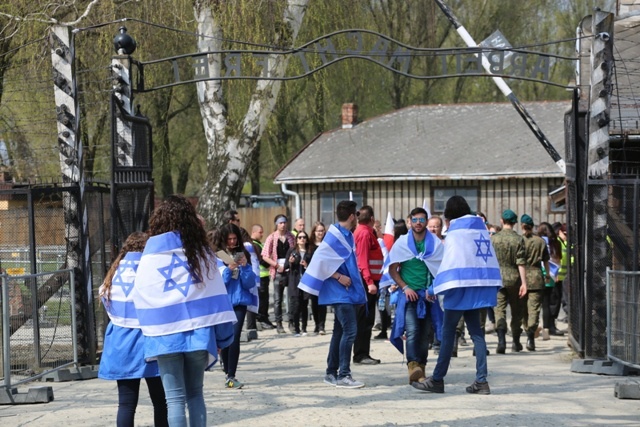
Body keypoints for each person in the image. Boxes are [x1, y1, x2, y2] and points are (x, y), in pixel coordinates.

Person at [132, 195, 236, 427]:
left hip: (165, 336)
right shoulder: (202, 254)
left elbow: (141, 296)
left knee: (174, 399)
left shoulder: (150, 256)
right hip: (199, 335)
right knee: (195, 395)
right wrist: (222, 336)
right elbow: (216, 297)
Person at [412, 196, 502, 395]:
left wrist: (433, 289)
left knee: (447, 333)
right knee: (477, 334)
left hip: (458, 289)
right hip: (478, 289)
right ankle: (481, 381)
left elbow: (449, 265)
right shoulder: (481, 230)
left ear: (449, 217)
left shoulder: (455, 234)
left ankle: (437, 379)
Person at [98, 232, 168, 427]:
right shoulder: (151, 270)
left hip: (122, 343)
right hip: (150, 342)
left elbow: (104, 297)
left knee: (126, 404)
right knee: (161, 401)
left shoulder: (116, 271)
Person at [299, 200, 367, 388]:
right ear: (352, 216)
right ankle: (344, 375)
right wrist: (338, 276)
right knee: (350, 331)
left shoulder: (345, 235)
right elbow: (319, 261)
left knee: (339, 332)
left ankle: (331, 373)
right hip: (340, 292)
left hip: (346, 292)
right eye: (356, 215)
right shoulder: (335, 236)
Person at [387, 207, 444, 384]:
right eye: (415, 220)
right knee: (412, 331)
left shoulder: (435, 244)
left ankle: (421, 367)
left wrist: (432, 289)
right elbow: (392, 268)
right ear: (410, 221)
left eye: (422, 219)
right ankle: (413, 365)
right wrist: (405, 287)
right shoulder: (402, 243)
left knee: (426, 333)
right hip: (409, 295)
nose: (418, 223)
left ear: (426, 221)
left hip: (428, 296)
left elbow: (441, 269)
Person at [214, 223, 257, 389]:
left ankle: (231, 375)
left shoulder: (243, 254)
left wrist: (245, 267)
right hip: (224, 302)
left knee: (235, 337)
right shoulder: (218, 256)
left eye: (234, 239)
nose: (232, 242)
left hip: (240, 301)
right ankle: (227, 371)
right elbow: (219, 283)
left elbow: (249, 283)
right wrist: (228, 269)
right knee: (225, 338)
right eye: (229, 239)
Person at [490, 209, 528, 353]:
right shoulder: (519, 239)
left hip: (497, 279)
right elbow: (521, 262)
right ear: (514, 222)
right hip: (514, 279)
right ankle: (516, 342)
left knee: (499, 310)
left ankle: (501, 341)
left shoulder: (493, 238)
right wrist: (524, 283)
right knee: (516, 311)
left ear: (502, 221)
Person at [353, 205, 384, 365]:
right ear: (372, 218)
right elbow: (362, 260)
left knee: (366, 319)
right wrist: (370, 282)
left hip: (368, 281)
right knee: (364, 319)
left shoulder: (363, 232)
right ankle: (360, 354)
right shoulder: (365, 233)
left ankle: (362, 353)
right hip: (367, 283)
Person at [520, 214, 550, 352]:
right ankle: (531, 336)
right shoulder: (541, 241)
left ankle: (526, 330)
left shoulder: (519, 240)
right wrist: (548, 275)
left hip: (521, 277)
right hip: (537, 276)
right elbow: (546, 261)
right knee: (534, 309)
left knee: (523, 309)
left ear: (522, 226)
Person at [261, 214, 296, 334]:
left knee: (291, 297)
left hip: (290, 269)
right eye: (280, 222)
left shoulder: (291, 237)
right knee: (277, 299)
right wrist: (276, 265)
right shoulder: (271, 237)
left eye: (285, 222)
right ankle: (279, 323)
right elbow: (265, 255)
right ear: (276, 224)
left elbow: (294, 251)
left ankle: (291, 321)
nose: (283, 225)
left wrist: (292, 259)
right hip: (278, 270)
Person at [537, 222, 564, 339]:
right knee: (547, 303)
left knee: (535, 303)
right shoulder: (556, 243)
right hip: (551, 275)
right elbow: (559, 259)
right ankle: (547, 328)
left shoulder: (538, 241)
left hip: (538, 274)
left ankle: (533, 327)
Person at [284, 230, 312, 335]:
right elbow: (285, 266)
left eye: (304, 237)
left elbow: (314, 267)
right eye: (300, 237)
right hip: (294, 281)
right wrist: (290, 262)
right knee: (295, 306)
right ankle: (296, 328)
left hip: (305, 282)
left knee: (304, 305)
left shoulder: (309, 252)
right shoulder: (292, 250)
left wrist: (306, 265)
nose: (302, 239)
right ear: (296, 240)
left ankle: (304, 328)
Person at [250, 224, 275, 330]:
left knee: (265, 299)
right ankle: (261, 318)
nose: (262, 234)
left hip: (264, 275)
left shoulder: (258, 244)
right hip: (260, 276)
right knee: (262, 299)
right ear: (254, 232)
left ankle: (264, 317)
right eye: (260, 232)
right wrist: (271, 263)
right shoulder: (254, 245)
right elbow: (262, 259)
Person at [309, 221, 328, 335]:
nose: (320, 233)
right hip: (313, 276)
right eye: (318, 231)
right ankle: (316, 324)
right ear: (314, 232)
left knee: (323, 302)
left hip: (324, 276)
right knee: (314, 302)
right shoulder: (310, 245)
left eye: (322, 230)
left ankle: (322, 325)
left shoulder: (326, 244)